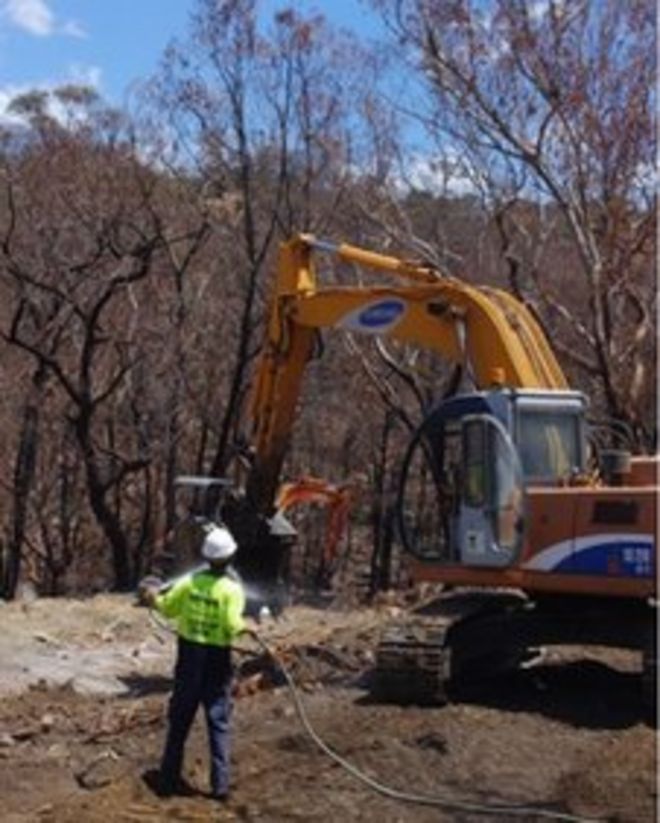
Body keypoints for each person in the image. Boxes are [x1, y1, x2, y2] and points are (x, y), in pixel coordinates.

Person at [144, 524, 248, 802]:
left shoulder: (189, 584)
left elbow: (167, 608)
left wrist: (153, 597)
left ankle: (167, 778)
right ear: (230, 558)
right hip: (216, 662)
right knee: (218, 722)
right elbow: (232, 624)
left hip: (189, 659)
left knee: (179, 720)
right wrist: (246, 627)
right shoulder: (231, 590)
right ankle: (220, 785)